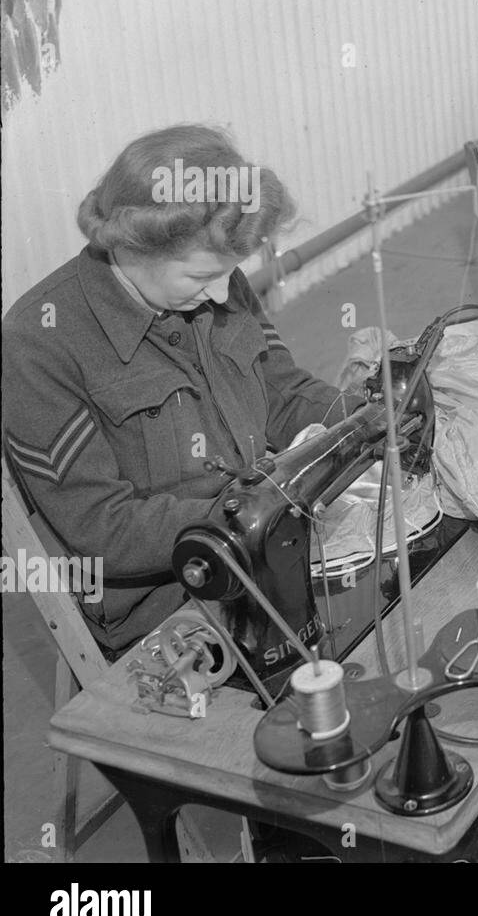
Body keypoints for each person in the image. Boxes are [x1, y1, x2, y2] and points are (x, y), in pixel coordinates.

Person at [1, 125, 366, 655]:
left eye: (228, 273)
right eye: (202, 277)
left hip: (262, 535)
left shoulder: (208, 275)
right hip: (170, 597)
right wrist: (261, 510)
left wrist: (366, 419)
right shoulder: (40, 343)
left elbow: (281, 393)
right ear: (132, 249)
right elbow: (103, 529)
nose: (222, 292)